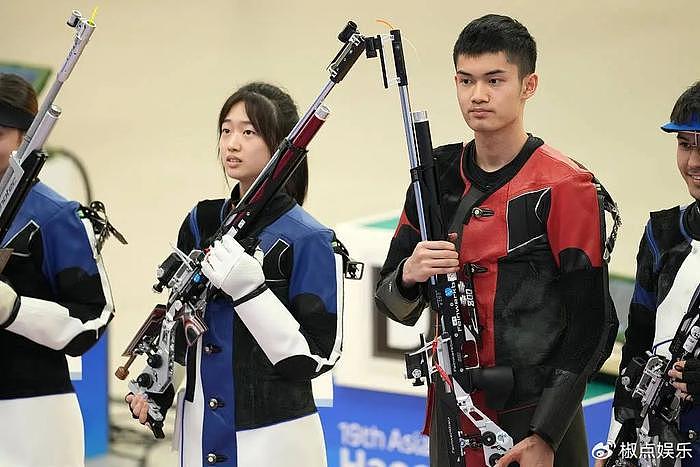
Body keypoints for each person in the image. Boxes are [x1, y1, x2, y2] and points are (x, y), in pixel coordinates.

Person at [374, 15, 618, 467]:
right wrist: (410, 274)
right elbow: (390, 303)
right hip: (454, 416)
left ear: (529, 85)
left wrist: (546, 433)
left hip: (538, 424)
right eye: (466, 80)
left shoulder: (566, 186)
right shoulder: (435, 176)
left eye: (494, 80)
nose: (477, 95)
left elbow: (594, 326)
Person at [127, 82, 346, 467]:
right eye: (226, 130)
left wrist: (251, 291)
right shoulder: (202, 220)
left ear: (281, 145)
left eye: (249, 132)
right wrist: (159, 388)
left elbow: (316, 358)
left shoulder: (310, 239)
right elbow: (181, 322)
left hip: (276, 440)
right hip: (197, 431)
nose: (232, 143)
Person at [0, 72, 115, 466]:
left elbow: (93, 318)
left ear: (27, 138)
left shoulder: (56, 217)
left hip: (34, 416)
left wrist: (15, 310)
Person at [597, 82, 700, 467]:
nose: (693, 162)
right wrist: (613, 445)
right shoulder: (662, 233)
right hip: (655, 447)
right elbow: (636, 353)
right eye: (685, 144)